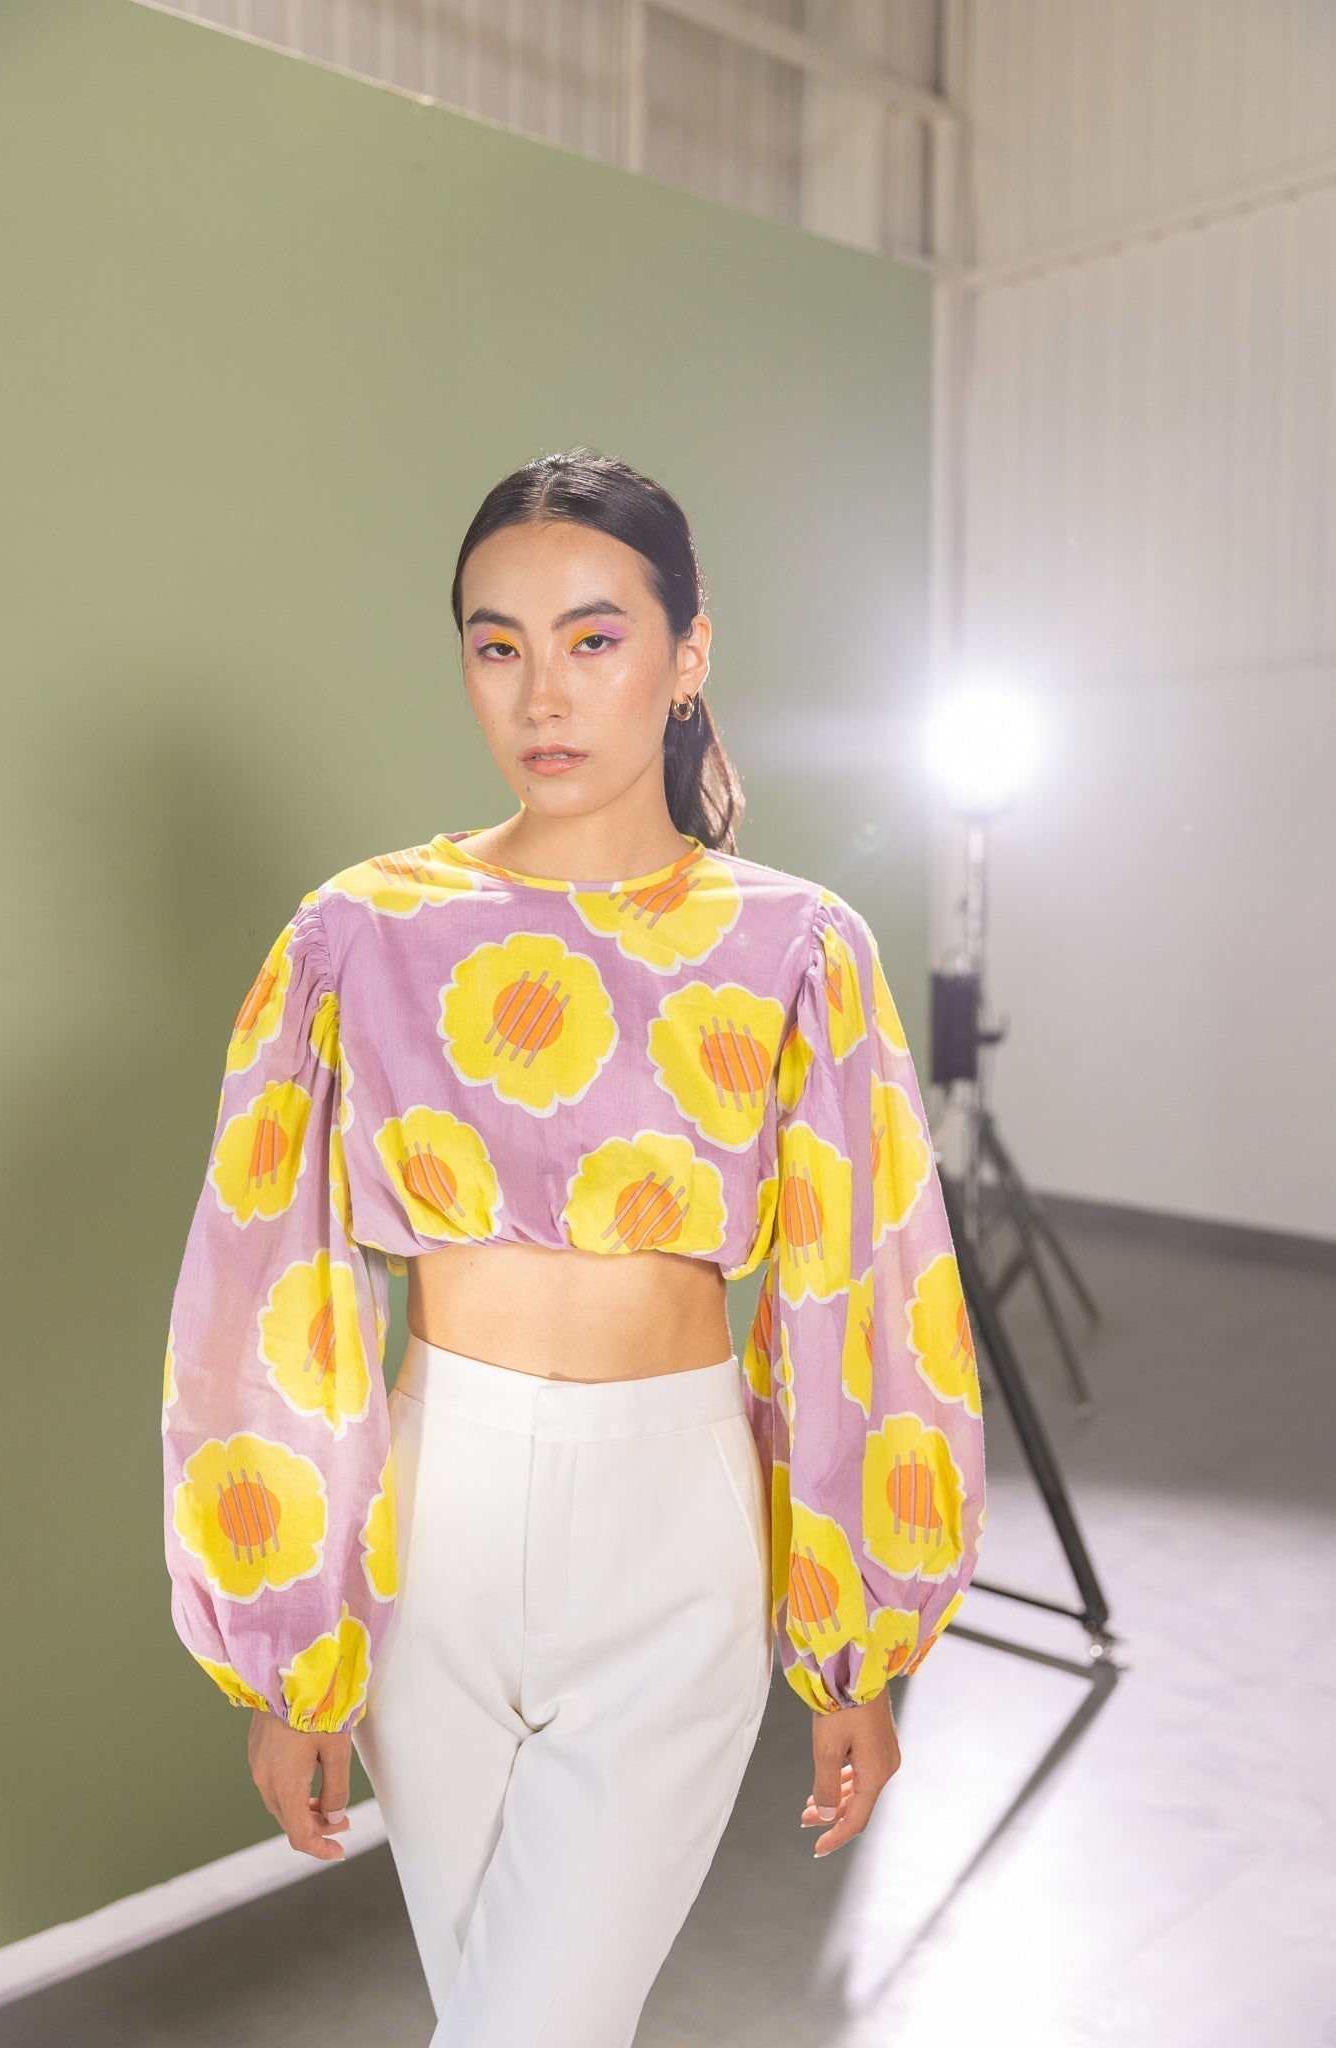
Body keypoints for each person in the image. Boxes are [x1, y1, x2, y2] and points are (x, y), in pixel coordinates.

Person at [161, 448, 986, 2046]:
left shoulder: (795, 947)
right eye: (498, 643)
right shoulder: (355, 935)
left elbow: (866, 1302)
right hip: (428, 1534)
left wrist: (856, 1655)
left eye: (594, 638)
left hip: (669, 1538)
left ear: (686, 656)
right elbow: (261, 1303)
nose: (542, 691)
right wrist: (287, 1658)